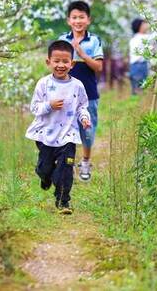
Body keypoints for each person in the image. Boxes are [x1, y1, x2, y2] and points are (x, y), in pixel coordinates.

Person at [25, 40, 91, 214]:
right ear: (48, 62)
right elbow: (34, 108)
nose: (61, 65)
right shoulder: (43, 84)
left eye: (65, 61)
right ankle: (45, 176)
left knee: (65, 169)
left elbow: (82, 106)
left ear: (72, 63)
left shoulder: (77, 85)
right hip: (46, 134)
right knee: (45, 168)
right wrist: (49, 105)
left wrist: (84, 118)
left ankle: (63, 201)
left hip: (68, 135)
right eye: (56, 61)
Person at [58, 1, 103, 182]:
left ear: (88, 20)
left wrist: (82, 53)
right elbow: (57, 66)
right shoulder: (63, 39)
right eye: (74, 17)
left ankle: (85, 161)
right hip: (66, 93)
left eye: (81, 17)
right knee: (65, 129)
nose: (78, 21)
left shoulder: (94, 40)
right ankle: (65, 163)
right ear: (69, 20)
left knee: (87, 131)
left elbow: (98, 66)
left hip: (89, 94)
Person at [129, 18, 152, 95]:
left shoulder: (134, 38)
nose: (146, 25)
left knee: (137, 91)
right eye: (144, 24)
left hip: (135, 66)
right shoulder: (142, 38)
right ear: (140, 27)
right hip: (139, 66)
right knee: (139, 91)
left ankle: (135, 105)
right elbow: (156, 37)